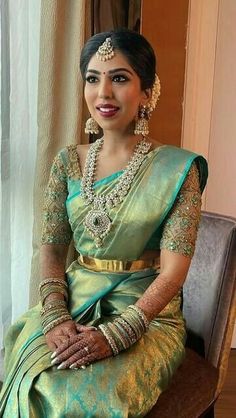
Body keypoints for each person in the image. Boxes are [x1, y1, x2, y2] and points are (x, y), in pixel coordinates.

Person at [0, 29, 208, 417]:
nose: (103, 93)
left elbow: (173, 273)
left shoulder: (179, 170)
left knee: (73, 398)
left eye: (120, 78)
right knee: (31, 370)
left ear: (147, 91)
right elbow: (50, 247)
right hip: (74, 303)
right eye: (93, 78)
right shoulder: (66, 162)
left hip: (146, 315)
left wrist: (117, 335)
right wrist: (55, 315)